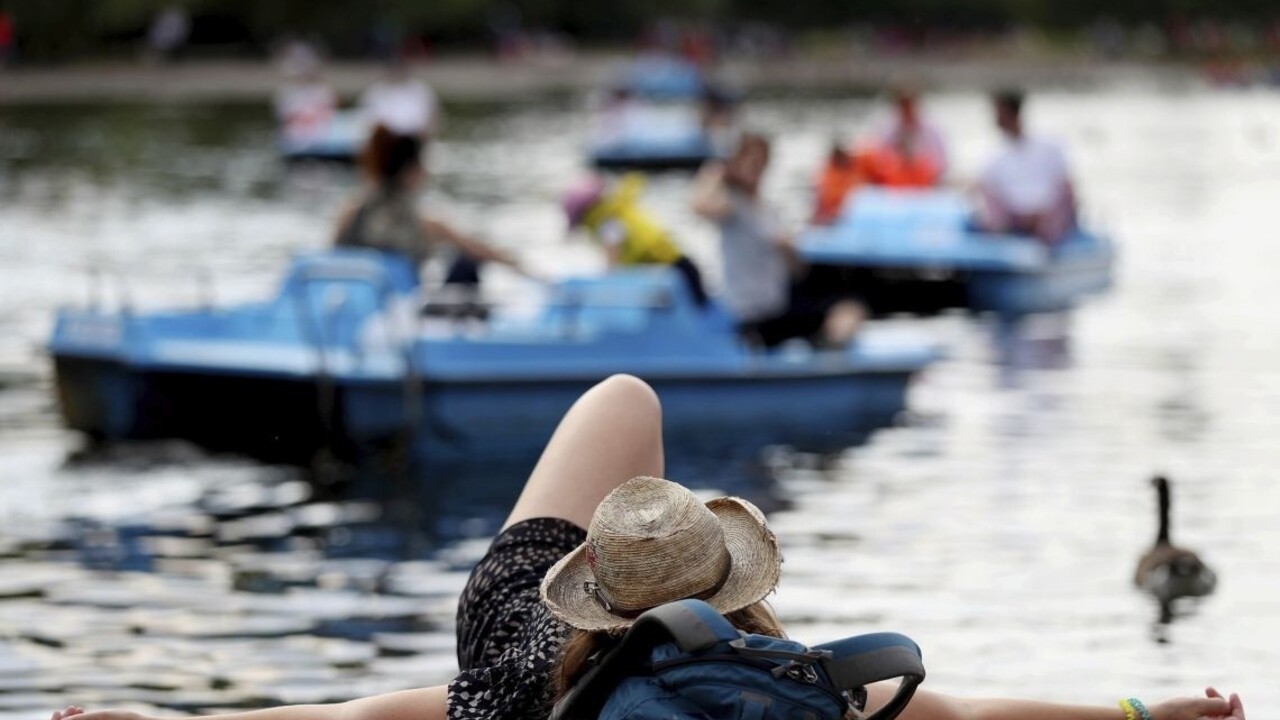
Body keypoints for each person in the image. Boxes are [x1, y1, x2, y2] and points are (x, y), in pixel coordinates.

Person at [49, 374, 1247, 720]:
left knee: (623, 398)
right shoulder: (784, 686)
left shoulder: (517, 676)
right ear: (736, 593)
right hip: (605, 634)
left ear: (590, 594)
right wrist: (1144, 715)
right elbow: (971, 719)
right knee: (631, 406)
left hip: (512, 621)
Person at [692, 133, 864, 349]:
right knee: (845, 307)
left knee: (846, 300)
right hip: (752, 315)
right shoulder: (732, 205)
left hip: (777, 304)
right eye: (749, 159)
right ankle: (830, 353)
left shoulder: (766, 208)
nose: (755, 166)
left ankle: (829, 348)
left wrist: (791, 250)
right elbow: (699, 206)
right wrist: (715, 170)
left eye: (760, 160)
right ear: (735, 163)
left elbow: (794, 265)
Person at [334, 125, 522, 283]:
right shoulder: (425, 221)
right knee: (465, 264)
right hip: (399, 311)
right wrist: (519, 266)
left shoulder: (353, 211)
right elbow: (477, 249)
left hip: (359, 306)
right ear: (411, 172)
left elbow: (330, 259)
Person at [562, 173, 708, 306]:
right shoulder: (615, 211)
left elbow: (612, 260)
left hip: (672, 268)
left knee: (695, 304)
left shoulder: (607, 223)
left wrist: (607, 286)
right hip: (674, 264)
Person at [976, 89, 1078, 244]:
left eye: (998, 112)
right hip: (1014, 221)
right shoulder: (993, 158)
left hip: (1050, 219)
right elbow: (991, 196)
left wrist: (1047, 216)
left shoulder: (1050, 146)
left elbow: (1066, 186)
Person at [863, 85, 947, 188]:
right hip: (893, 184)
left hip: (925, 185)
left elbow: (941, 164)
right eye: (903, 104)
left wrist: (915, 164)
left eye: (909, 104)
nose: (907, 109)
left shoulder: (933, 131)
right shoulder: (885, 130)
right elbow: (878, 162)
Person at [359, 56, 441, 140]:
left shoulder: (421, 90)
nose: (397, 71)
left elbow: (433, 118)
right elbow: (365, 119)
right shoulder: (374, 91)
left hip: (414, 139)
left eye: (399, 68)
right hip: (384, 140)